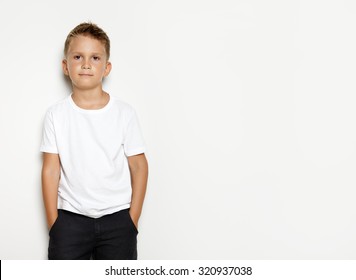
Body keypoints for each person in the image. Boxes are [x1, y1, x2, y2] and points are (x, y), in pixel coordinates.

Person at [40, 22, 148, 260]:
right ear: (65, 66)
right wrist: (54, 225)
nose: (86, 64)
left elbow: (139, 165)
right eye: (78, 56)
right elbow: (50, 170)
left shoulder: (124, 112)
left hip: (118, 221)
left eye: (95, 58)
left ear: (106, 68)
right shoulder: (55, 115)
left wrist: (133, 219)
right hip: (69, 221)